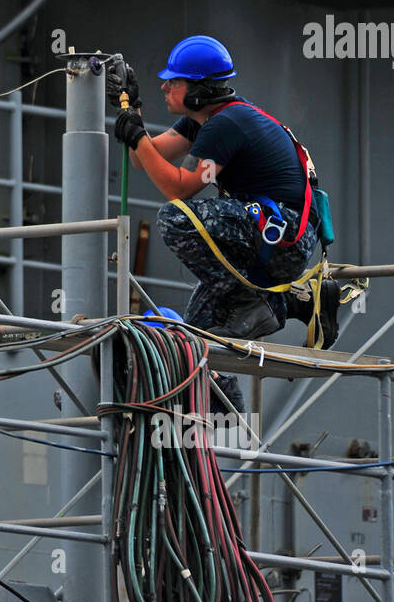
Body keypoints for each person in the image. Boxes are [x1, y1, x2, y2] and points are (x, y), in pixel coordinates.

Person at [110, 35, 339, 366]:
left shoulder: (227, 124)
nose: (165, 88)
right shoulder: (203, 120)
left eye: (173, 81)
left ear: (200, 89)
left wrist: (136, 134)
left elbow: (180, 189)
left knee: (175, 218)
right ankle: (285, 305)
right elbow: (144, 156)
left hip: (282, 237)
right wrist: (132, 111)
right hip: (268, 237)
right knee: (200, 339)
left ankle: (256, 303)